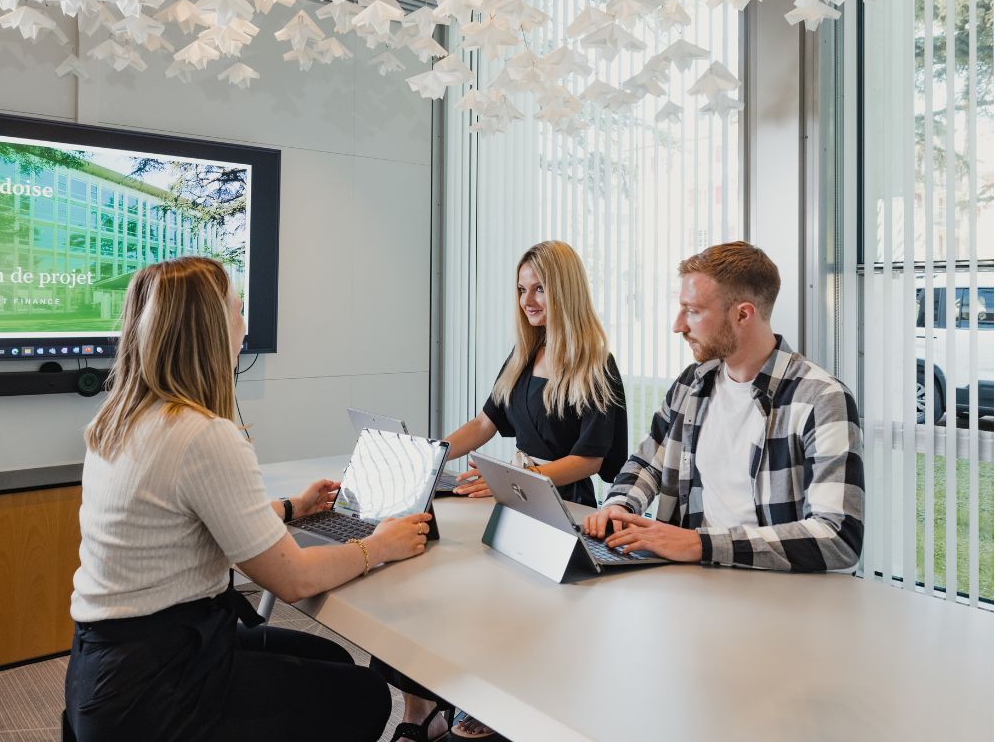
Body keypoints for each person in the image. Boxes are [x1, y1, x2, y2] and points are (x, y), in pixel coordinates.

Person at [64, 257, 433, 742]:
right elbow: (293, 579)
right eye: (238, 310)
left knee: (334, 659)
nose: (245, 326)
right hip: (155, 689)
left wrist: (289, 509)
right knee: (364, 696)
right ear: (212, 330)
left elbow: (188, 521)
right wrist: (379, 545)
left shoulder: (121, 417)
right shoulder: (201, 435)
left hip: (106, 666)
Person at [385, 240, 629, 741]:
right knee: (441, 581)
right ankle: (432, 706)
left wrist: (519, 481)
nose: (528, 300)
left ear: (565, 290)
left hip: (562, 504)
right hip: (516, 496)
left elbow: (592, 459)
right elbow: (484, 423)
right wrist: (428, 454)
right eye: (521, 290)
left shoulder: (594, 363)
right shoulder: (525, 355)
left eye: (539, 288)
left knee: (510, 607)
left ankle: (493, 706)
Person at [583, 241, 865, 573]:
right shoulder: (693, 382)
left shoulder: (821, 399)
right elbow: (648, 462)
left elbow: (837, 537)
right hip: (694, 580)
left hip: (781, 594)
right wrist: (618, 507)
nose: (678, 325)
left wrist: (697, 544)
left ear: (743, 314)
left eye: (693, 311)